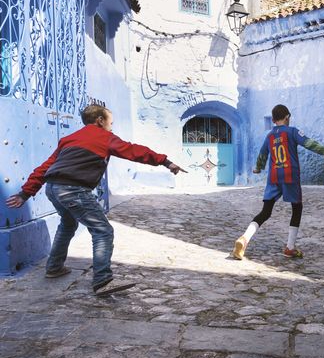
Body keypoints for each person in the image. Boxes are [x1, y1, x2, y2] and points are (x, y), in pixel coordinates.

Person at [4, 104, 187, 297]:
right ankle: (102, 280)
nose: (111, 127)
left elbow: (45, 167)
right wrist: (165, 161)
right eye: (110, 122)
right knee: (103, 231)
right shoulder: (104, 137)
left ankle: (54, 267)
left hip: (53, 188)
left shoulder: (68, 139)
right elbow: (134, 151)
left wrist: (26, 193)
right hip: (74, 190)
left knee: (67, 224)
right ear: (100, 120)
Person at [233, 104, 324, 260]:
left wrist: (258, 168)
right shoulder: (292, 131)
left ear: (273, 120)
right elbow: (310, 144)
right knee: (297, 207)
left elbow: (262, 155)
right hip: (290, 175)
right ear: (287, 117)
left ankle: (244, 238)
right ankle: (290, 247)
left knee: (265, 212)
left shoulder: (269, 136)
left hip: (273, 177)